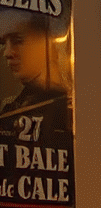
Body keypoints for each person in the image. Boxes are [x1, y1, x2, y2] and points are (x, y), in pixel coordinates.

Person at [0, 10, 73, 155]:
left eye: (17, 41)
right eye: (3, 43)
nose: (7, 53)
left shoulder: (67, 107)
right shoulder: (11, 107)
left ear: (45, 41)